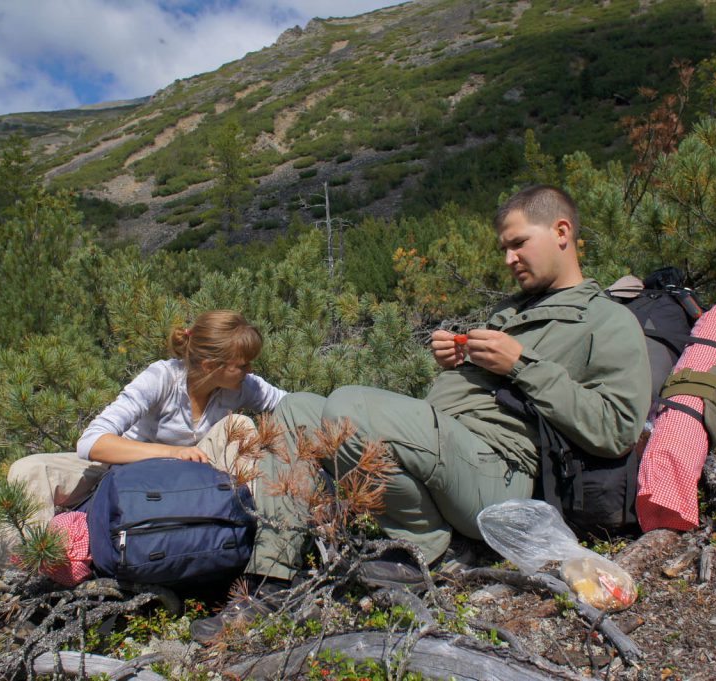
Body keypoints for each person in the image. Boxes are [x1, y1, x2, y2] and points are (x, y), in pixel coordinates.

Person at [189, 185, 651, 642]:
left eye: (518, 243)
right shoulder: (510, 312)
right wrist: (458, 359)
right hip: (449, 454)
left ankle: (427, 549)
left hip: (500, 473)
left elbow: (617, 428)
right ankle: (272, 582)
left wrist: (520, 363)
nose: (509, 258)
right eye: (504, 248)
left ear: (562, 232)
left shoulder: (606, 321)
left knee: (348, 405)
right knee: (293, 411)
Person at [0, 309, 287, 550]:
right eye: (243, 364)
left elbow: (289, 405)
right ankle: (27, 565)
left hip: (191, 478)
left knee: (239, 426)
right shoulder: (162, 378)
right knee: (29, 468)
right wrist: (171, 452)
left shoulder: (241, 387)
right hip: (123, 471)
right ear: (212, 365)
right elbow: (91, 443)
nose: (250, 370)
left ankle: (253, 540)